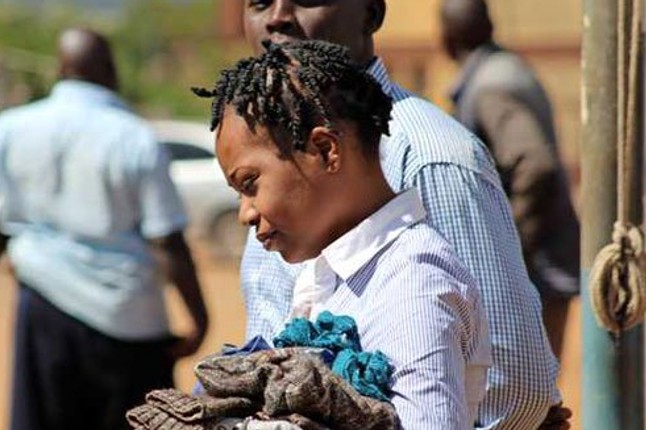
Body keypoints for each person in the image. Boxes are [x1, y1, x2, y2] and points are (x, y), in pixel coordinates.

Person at [238, 1, 566, 429]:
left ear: (371, 14)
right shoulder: (265, 151)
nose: (278, 16)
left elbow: (510, 386)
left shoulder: (429, 159)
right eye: (259, 2)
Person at [196, 39, 491, 429]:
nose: (244, 213)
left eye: (250, 183)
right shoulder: (334, 270)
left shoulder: (411, 283)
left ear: (324, 150)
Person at [0, 28, 209, 430]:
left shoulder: (13, 126)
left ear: (61, 69)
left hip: (42, 300)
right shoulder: (134, 137)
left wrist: (5, 248)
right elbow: (166, 238)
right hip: (127, 315)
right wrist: (198, 320)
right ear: (111, 71)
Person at [440, 0, 580, 359]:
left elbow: (535, 165)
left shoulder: (491, 85)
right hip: (541, 265)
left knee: (527, 397)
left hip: (534, 271)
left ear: (447, 37)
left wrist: (508, 249)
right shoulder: (504, 70)